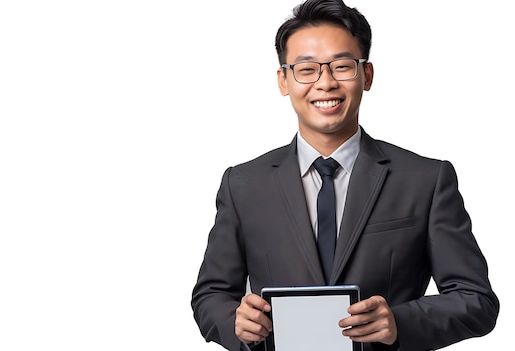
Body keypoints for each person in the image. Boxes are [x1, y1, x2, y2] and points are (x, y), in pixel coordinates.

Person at [190, 0, 500, 350]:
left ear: (366, 75)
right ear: (283, 80)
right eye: (306, 69)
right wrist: (236, 324)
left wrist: (399, 322)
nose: (325, 83)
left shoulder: (426, 180)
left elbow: (477, 301)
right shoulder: (243, 184)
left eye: (341, 66)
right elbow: (210, 296)